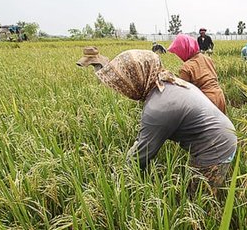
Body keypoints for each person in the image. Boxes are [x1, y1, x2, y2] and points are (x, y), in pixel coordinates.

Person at [87, 49, 237, 194]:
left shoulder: (158, 107)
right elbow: (144, 140)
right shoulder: (171, 82)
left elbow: (142, 155)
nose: (123, 90)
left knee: (197, 197)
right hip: (222, 136)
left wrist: (117, 179)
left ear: (137, 79)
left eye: (124, 83)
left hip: (216, 149)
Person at [168, 34, 227, 114]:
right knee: (221, 125)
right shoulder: (207, 59)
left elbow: (183, 92)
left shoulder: (186, 67)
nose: (179, 56)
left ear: (184, 50)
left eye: (179, 52)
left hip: (206, 101)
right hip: (219, 96)